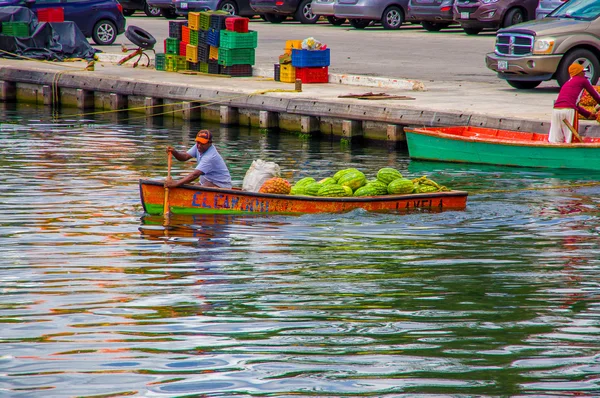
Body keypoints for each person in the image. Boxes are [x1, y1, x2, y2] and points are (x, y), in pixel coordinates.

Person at [548, 63, 600, 143]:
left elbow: (573, 104)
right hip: (569, 111)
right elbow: (595, 95)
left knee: (555, 139)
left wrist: (588, 115)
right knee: (571, 139)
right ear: (578, 73)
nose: (584, 73)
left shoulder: (567, 83)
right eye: (583, 71)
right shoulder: (583, 80)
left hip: (556, 110)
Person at [165, 130, 232, 189]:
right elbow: (185, 157)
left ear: (210, 143)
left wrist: (175, 183)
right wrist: (174, 152)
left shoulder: (210, 156)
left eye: (202, 143)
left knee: (199, 187)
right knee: (196, 185)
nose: (199, 146)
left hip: (220, 185)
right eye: (198, 142)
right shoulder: (198, 146)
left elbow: (195, 175)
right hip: (206, 181)